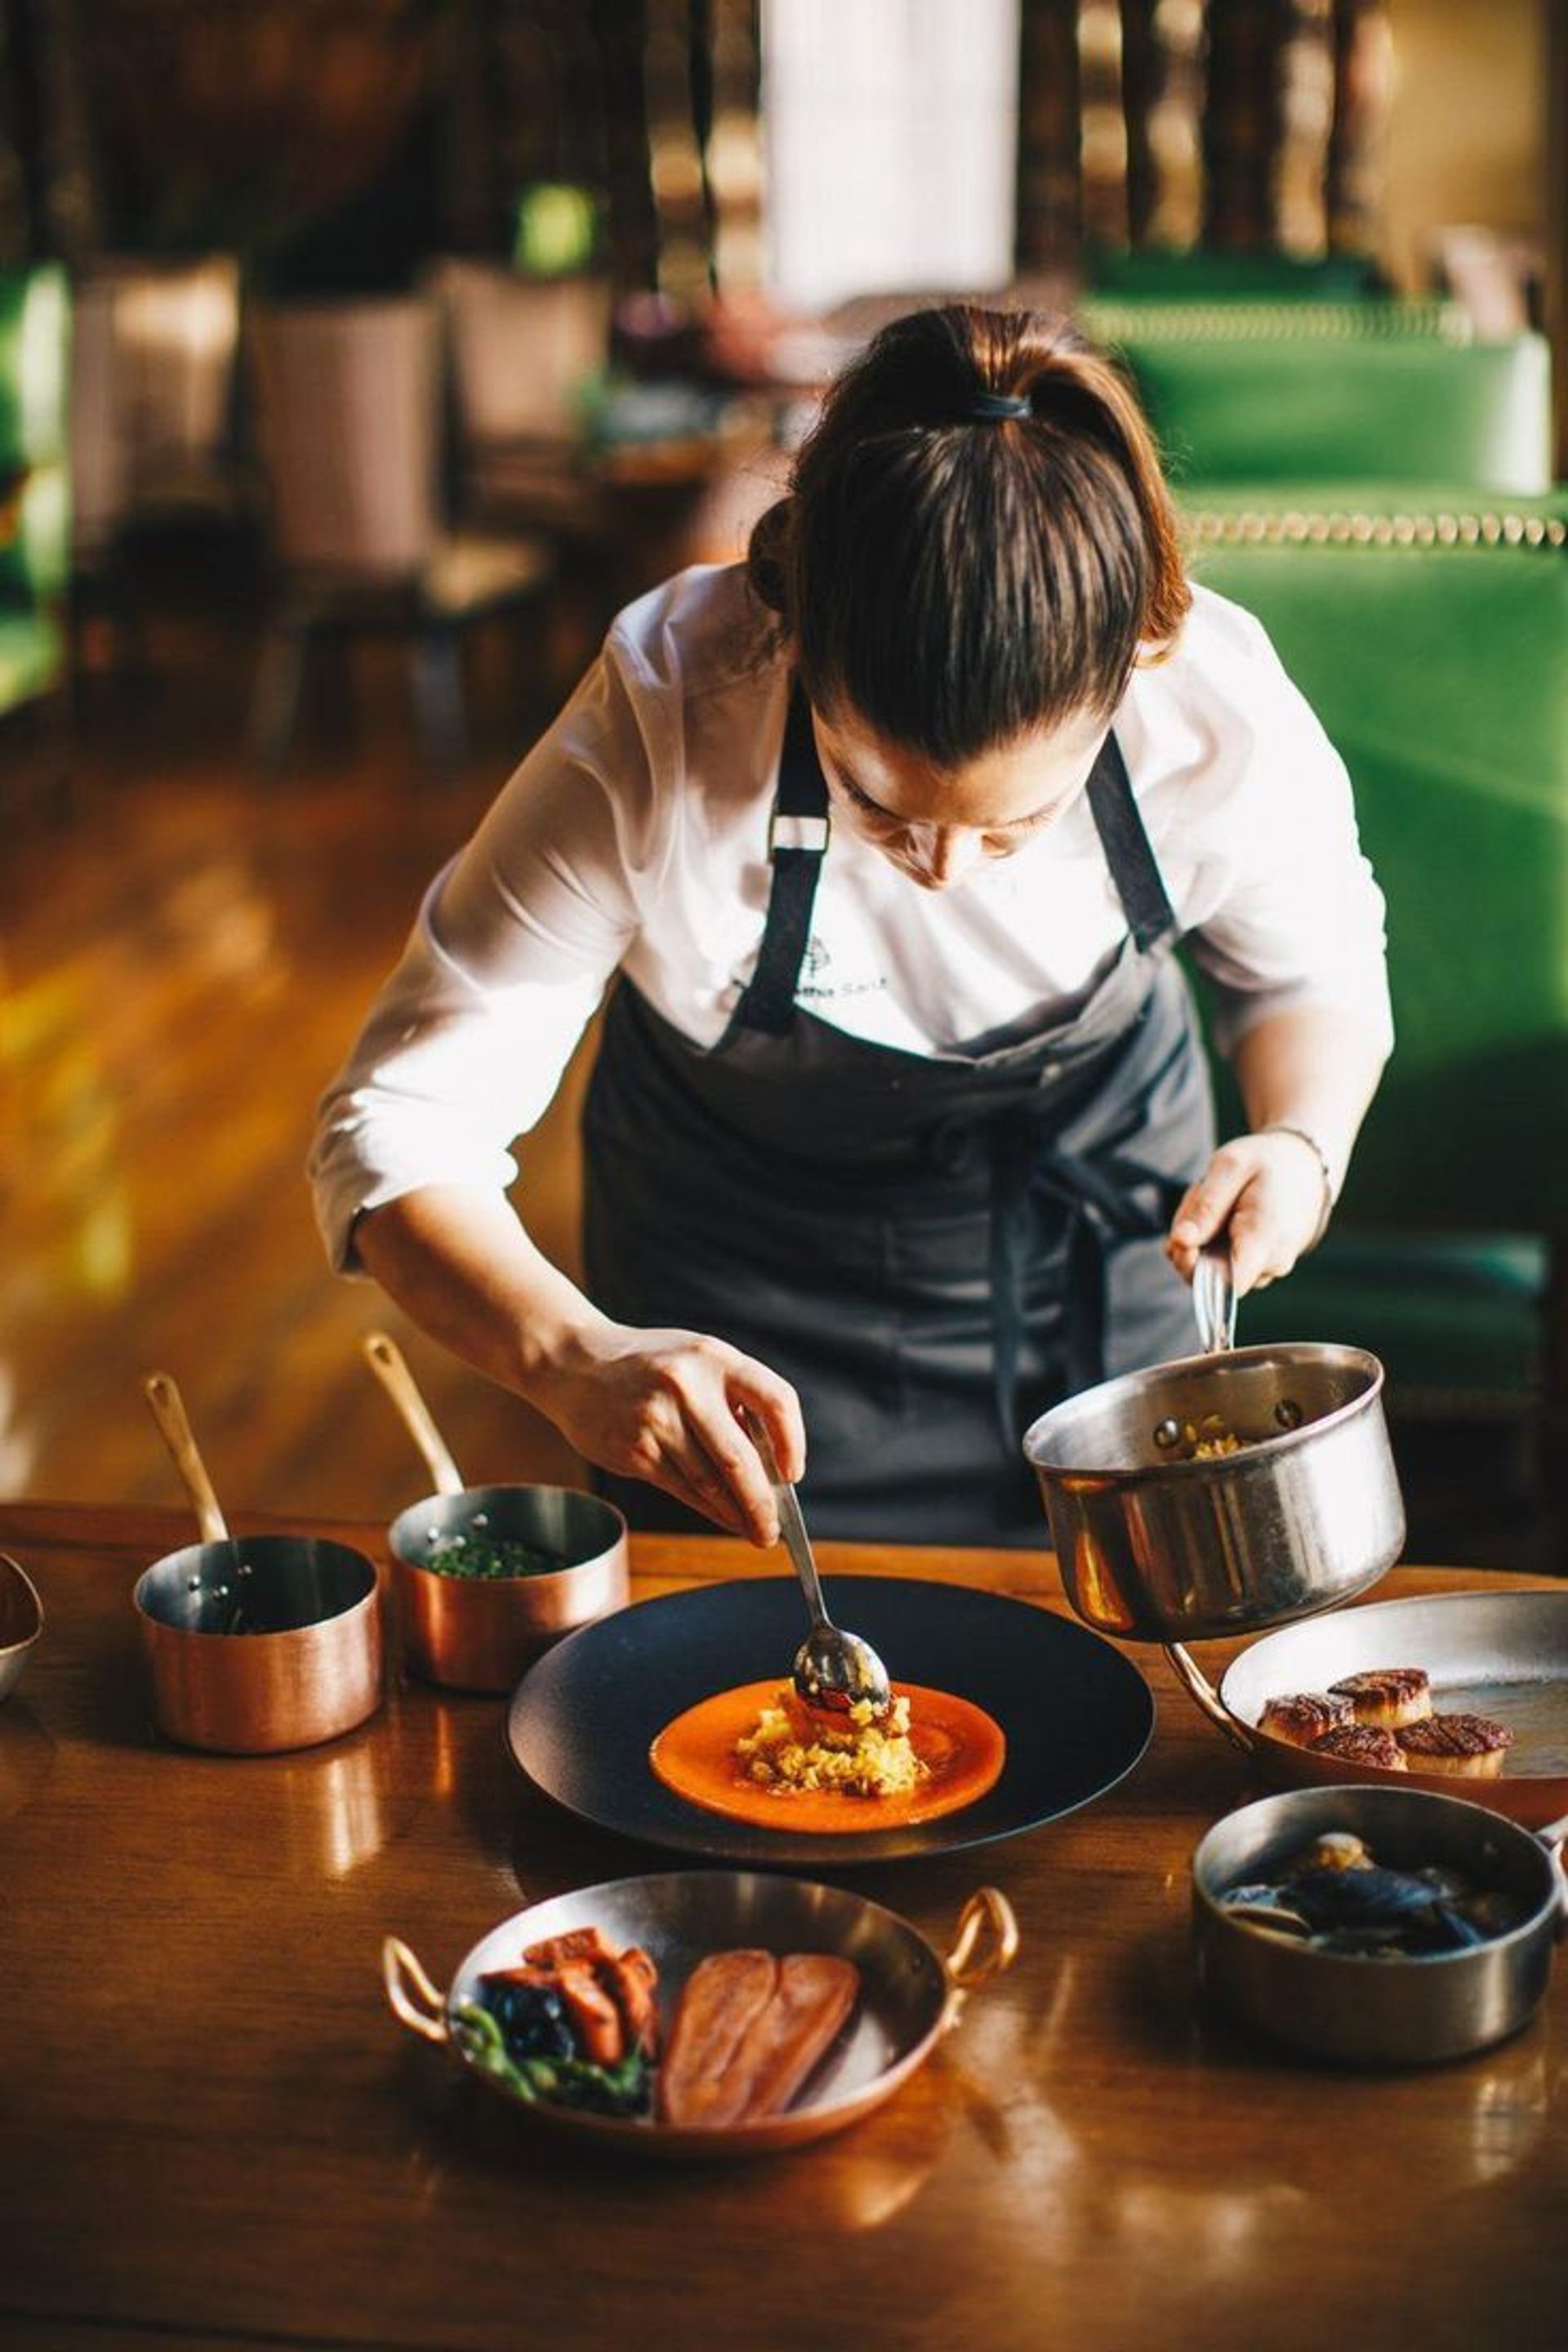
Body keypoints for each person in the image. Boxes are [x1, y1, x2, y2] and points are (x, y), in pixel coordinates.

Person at [310, 304, 1392, 1552]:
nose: (941, 871)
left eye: (1013, 825)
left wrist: (1304, 1144)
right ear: (797, 633)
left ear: (1135, 660)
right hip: (743, 1326)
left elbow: (1313, 973)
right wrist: (572, 1357)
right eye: (878, 801)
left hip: (1112, 1284)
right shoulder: (670, 707)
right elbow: (398, 1123)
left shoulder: (1209, 703)